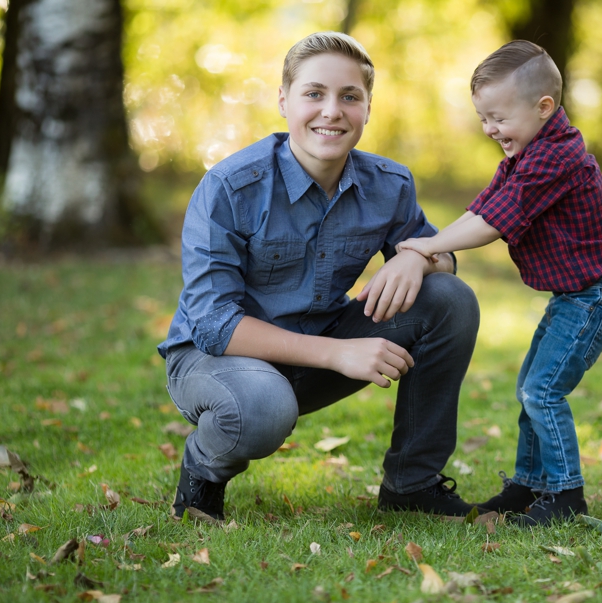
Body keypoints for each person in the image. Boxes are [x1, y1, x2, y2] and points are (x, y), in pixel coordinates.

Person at [158, 32, 481, 522]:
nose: (332, 111)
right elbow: (214, 324)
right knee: (262, 406)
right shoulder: (229, 187)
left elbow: (446, 261)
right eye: (314, 94)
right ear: (284, 100)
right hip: (216, 361)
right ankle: (203, 473)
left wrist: (417, 256)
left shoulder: (388, 184)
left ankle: (413, 485)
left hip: (320, 344)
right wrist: (339, 353)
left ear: (368, 109)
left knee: (448, 298)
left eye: (349, 97)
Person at [396, 40, 602, 527]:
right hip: (576, 295)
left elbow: (495, 222)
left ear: (543, 107)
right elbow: (483, 207)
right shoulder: (528, 154)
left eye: (498, 118)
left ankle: (566, 498)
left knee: (543, 391)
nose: (489, 129)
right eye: (483, 118)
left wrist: (425, 248)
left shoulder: (556, 159)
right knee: (530, 385)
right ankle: (529, 486)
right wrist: (435, 241)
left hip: (599, 295)